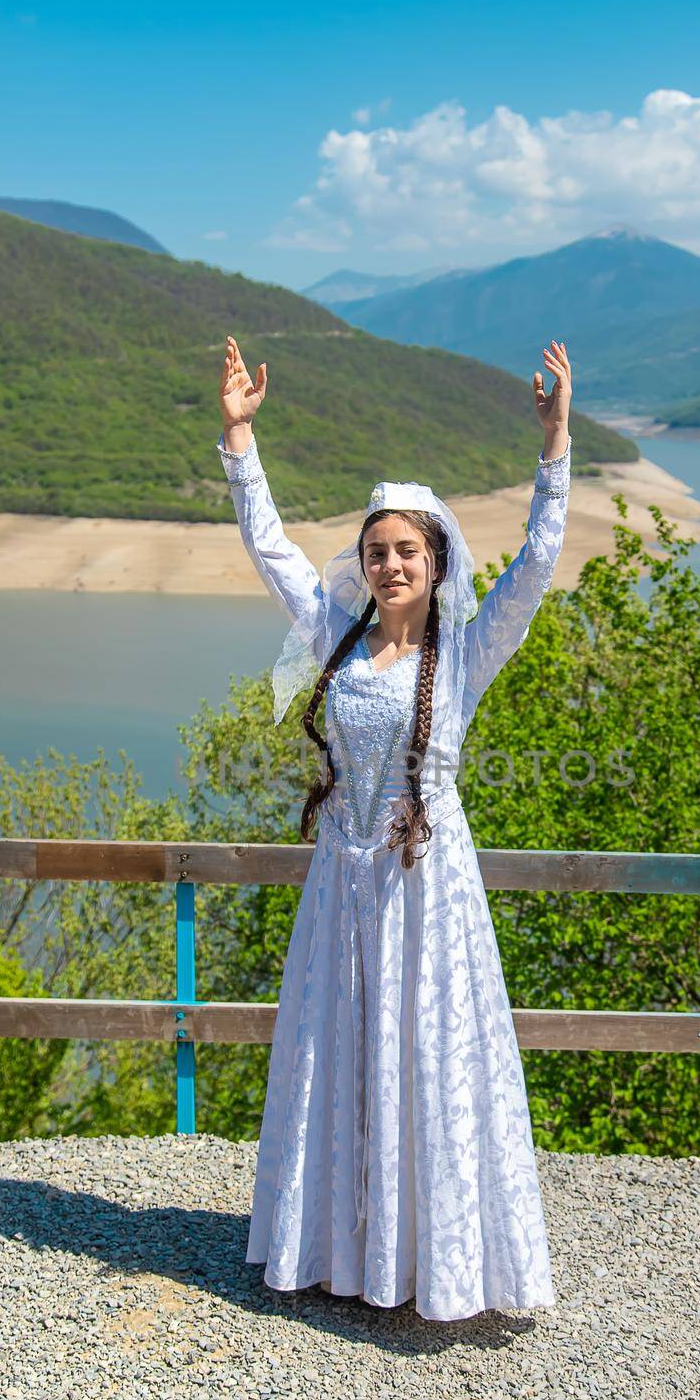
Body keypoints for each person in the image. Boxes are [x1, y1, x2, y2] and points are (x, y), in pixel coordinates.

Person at [216, 334, 572, 1322]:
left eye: (405, 549)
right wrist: (240, 444)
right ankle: (343, 1248)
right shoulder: (333, 635)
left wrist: (555, 446)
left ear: (434, 558)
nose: (387, 563)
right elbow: (273, 550)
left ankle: (433, 1261)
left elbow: (539, 565)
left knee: (430, 1057)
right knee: (342, 1054)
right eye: (376, 550)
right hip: (342, 883)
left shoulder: (465, 652)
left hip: (426, 886)